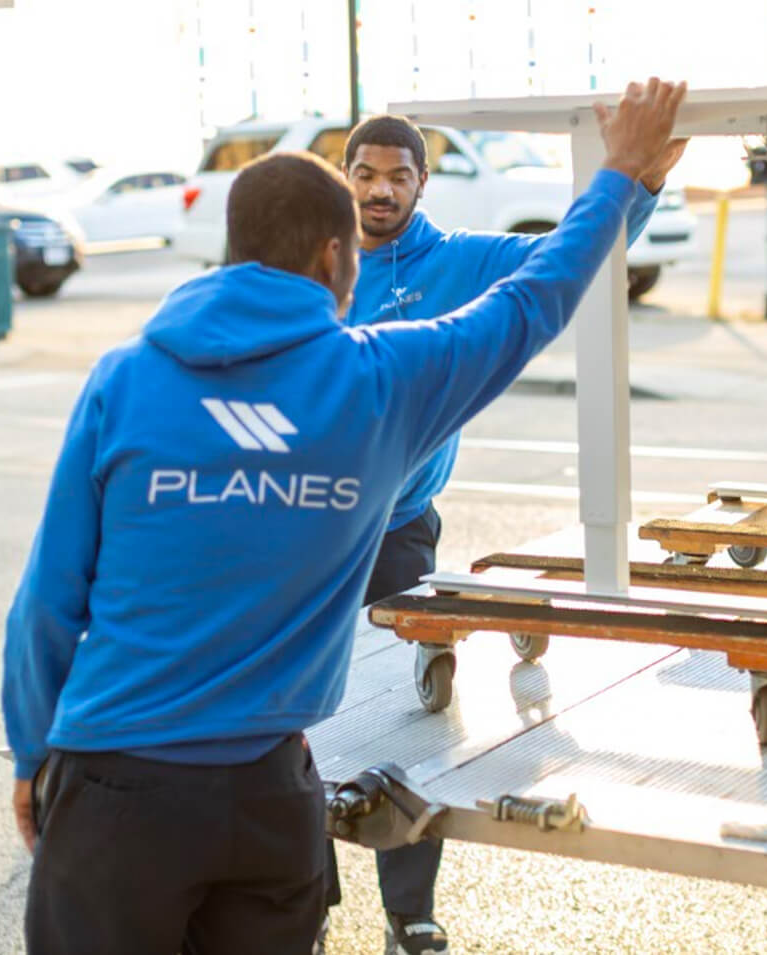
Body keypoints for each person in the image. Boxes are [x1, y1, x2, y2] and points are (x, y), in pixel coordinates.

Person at [2, 77, 686, 955]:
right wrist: (623, 173)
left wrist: (32, 752)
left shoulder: (124, 379)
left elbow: (45, 606)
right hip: (266, 798)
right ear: (334, 259)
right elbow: (534, 299)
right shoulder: (381, 383)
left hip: (113, 793)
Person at [320, 101, 688, 955]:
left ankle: (408, 908)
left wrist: (644, 183)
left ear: (422, 182)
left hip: (401, 532)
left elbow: (571, 258)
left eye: (397, 175)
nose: (379, 190)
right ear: (346, 177)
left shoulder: (454, 262)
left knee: (404, 727)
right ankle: (311, 893)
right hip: (315, 529)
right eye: (365, 173)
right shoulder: (317, 261)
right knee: (303, 714)